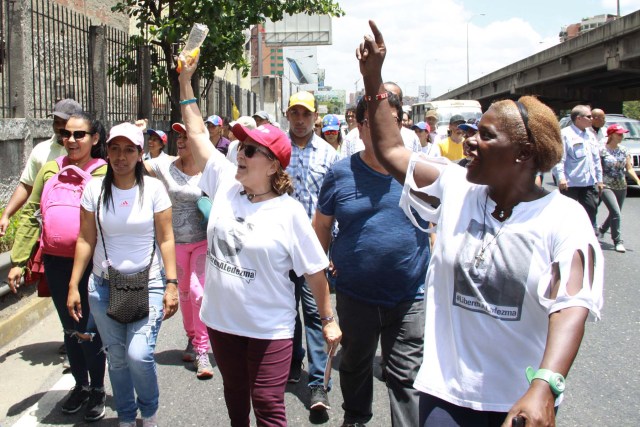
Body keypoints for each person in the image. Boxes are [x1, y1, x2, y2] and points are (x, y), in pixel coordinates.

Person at [356, 21, 603, 427]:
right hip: (446, 394)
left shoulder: (564, 218)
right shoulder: (457, 188)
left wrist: (544, 386)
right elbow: (390, 149)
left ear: (523, 154)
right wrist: (373, 79)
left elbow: (570, 307)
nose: (470, 141)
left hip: (518, 402)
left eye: (485, 136)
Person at [177, 52, 341, 426]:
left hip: (269, 329)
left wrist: (328, 319)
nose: (240, 153)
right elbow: (199, 133)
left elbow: (315, 271)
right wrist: (186, 81)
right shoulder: (223, 183)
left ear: (272, 164)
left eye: (250, 150)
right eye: (240, 147)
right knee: (235, 398)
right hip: (221, 323)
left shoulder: (289, 213)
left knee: (267, 403)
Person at [315, 94, 429, 427]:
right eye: (370, 120)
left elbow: (436, 225)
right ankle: (356, 417)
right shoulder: (339, 174)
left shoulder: (419, 172)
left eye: (389, 119)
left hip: (410, 295)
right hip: (355, 294)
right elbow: (321, 225)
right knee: (355, 364)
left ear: (400, 124)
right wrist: (320, 269)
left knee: (405, 375)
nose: (379, 127)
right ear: (358, 126)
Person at [67, 122, 178, 427]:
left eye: (129, 149)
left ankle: (149, 409)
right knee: (116, 358)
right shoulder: (93, 189)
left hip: (149, 282)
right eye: (115, 148)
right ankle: (127, 418)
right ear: (107, 151)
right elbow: (86, 239)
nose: (121, 156)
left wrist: (171, 283)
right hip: (103, 287)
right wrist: (74, 284)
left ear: (140, 154)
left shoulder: (154, 189)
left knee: (139, 355)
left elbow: (166, 238)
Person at [7, 111, 108, 422]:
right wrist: (18, 261)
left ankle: (97, 389)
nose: (72, 140)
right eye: (67, 134)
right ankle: (79, 385)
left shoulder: (104, 172)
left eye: (80, 135)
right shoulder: (50, 169)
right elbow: (31, 212)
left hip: (93, 263)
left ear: (95, 139)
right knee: (69, 328)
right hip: (55, 262)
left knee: (88, 329)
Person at [144, 123, 213, 379]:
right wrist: (140, 133)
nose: (181, 141)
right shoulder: (164, 166)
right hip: (175, 244)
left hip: (202, 241)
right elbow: (134, 164)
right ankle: (192, 338)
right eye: (179, 137)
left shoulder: (210, 170)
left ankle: (202, 352)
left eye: (187, 137)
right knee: (183, 292)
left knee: (198, 293)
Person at [285, 90, 340, 411]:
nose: (301, 120)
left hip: (316, 251)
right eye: (295, 113)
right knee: (284, 311)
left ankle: (319, 383)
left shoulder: (329, 155)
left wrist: (336, 251)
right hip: (280, 249)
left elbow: (335, 206)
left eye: (306, 114)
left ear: (315, 117)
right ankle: (292, 361)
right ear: (288, 115)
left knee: (318, 314)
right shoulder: (277, 151)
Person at [0, 99, 83, 236]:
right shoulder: (41, 150)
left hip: (80, 227)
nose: (59, 127)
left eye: (64, 122)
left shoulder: (89, 151)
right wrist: (6, 215)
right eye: (56, 122)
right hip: (46, 228)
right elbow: (26, 185)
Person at [555, 105, 604, 232]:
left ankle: (586, 236)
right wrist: (561, 178)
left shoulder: (591, 135)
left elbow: (596, 159)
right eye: (589, 116)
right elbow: (560, 159)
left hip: (588, 182)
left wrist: (599, 179)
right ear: (578, 118)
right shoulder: (565, 134)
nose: (591, 119)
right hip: (570, 183)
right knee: (568, 214)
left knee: (591, 208)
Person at [598, 124, 640, 253]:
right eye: (619, 134)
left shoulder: (624, 150)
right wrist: (598, 182)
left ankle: (602, 230)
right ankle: (617, 241)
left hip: (621, 185)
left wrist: (638, 180)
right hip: (606, 185)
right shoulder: (602, 150)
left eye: (623, 134)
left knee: (615, 213)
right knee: (615, 212)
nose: (622, 136)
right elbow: (597, 168)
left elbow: (629, 168)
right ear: (611, 135)